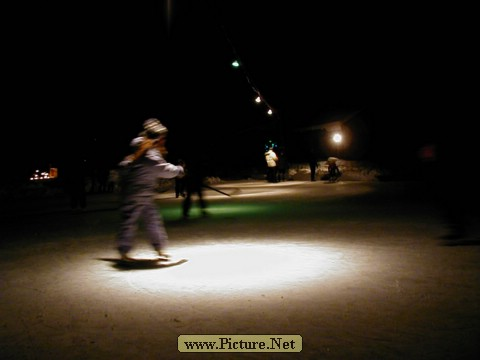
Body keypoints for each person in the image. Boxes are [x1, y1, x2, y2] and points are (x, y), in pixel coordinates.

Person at [116, 118, 184, 260]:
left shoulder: (138, 150)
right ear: (157, 139)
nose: (164, 142)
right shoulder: (149, 156)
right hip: (137, 194)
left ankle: (158, 248)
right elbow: (165, 169)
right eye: (162, 138)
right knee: (131, 221)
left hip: (142, 194)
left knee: (151, 220)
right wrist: (179, 170)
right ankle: (124, 250)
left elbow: (125, 165)